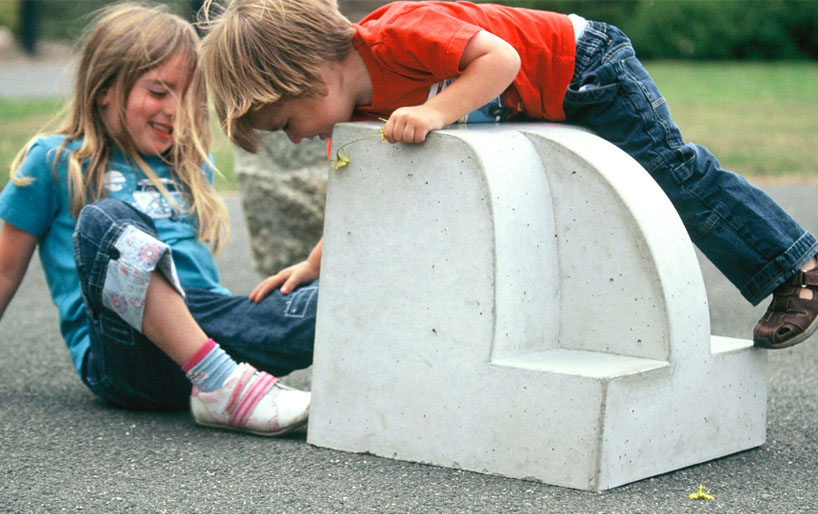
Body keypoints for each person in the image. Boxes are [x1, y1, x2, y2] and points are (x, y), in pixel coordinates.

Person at [199, 0, 818, 349]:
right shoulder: (360, 114)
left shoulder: (396, 34)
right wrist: (315, 263)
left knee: (672, 176)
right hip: (542, 106)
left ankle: (795, 265)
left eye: (286, 123)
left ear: (308, 76)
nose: (296, 138)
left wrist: (435, 111)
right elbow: (372, 199)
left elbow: (502, 58)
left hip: (587, 69)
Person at [0, 3, 316, 436]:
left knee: (326, 299)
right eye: (159, 91)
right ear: (105, 88)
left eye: (187, 97)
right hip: (126, 352)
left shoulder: (188, 165)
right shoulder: (55, 161)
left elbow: (201, 287)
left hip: (207, 330)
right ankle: (222, 385)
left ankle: (225, 378)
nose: (175, 110)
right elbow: (3, 271)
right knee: (104, 220)